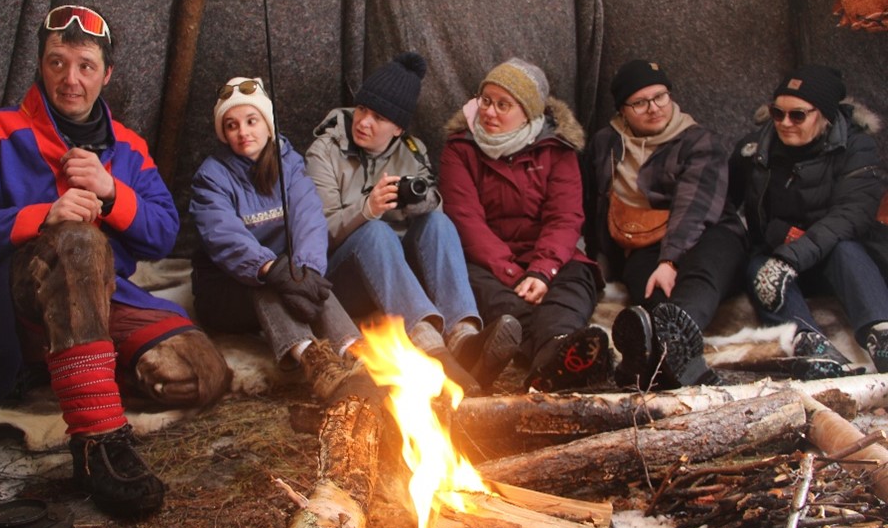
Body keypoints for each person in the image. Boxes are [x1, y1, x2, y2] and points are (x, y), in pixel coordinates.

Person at [0, 5, 232, 518]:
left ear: (106, 74)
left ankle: (66, 368)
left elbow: (162, 236)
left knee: (201, 374)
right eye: (57, 62)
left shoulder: (129, 147)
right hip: (15, 297)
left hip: (104, 299)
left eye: (85, 65)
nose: (70, 79)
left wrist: (113, 191)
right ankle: (98, 442)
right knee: (77, 241)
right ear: (41, 64)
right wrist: (40, 217)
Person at [305, 52, 520, 394]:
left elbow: (432, 204)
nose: (363, 122)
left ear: (398, 128)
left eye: (378, 117)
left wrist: (421, 200)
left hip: (396, 280)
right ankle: (428, 347)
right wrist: (367, 208)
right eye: (362, 109)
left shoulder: (412, 150)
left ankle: (464, 338)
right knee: (374, 230)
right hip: (341, 280)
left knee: (438, 223)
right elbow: (318, 234)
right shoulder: (325, 151)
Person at [190, 76, 375, 403]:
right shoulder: (211, 175)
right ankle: (316, 364)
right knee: (270, 284)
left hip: (284, 271)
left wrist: (306, 270)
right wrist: (271, 269)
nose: (243, 132)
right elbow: (223, 236)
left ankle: (357, 354)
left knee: (312, 283)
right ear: (223, 133)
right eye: (231, 126)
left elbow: (309, 218)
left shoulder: (289, 163)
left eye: (251, 121)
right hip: (226, 290)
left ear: (267, 124)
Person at [441, 57, 610, 393]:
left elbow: (565, 218)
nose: (489, 112)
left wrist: (542, 270)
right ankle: (557, 358)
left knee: (569, 292)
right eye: (486, 101)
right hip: (487, 264)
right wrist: (513, 274)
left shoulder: (557, 150)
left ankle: (556, 349)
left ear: (529, 112)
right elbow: (466, 220)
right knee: (504, 306)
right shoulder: (459, 149)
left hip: (552, 258)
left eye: (504, 105)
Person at [581, 60, 747, 390]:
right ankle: (668, 358)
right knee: (651, 289)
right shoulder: (605, 144)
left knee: (701, 275)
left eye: (660, 96)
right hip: (644, 238)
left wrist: (669, 260)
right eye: (640, 103)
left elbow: (694, 206)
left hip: (711, 231)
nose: (654, 108)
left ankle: (670, 346)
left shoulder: (698, 141)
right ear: (623, 110)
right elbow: (592, 200)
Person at [729, 64, 887, 378]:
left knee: (845, 249)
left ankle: (881, 334)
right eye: (777, 113)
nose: (784, 123)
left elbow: (851, 216)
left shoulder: (857, 147)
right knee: (758, 267)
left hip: (838, 257)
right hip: (777, 254)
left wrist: (793, 255)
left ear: (824, 114)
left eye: (797, 115)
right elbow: (725, 206)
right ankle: (810, 346)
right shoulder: (754, 150)